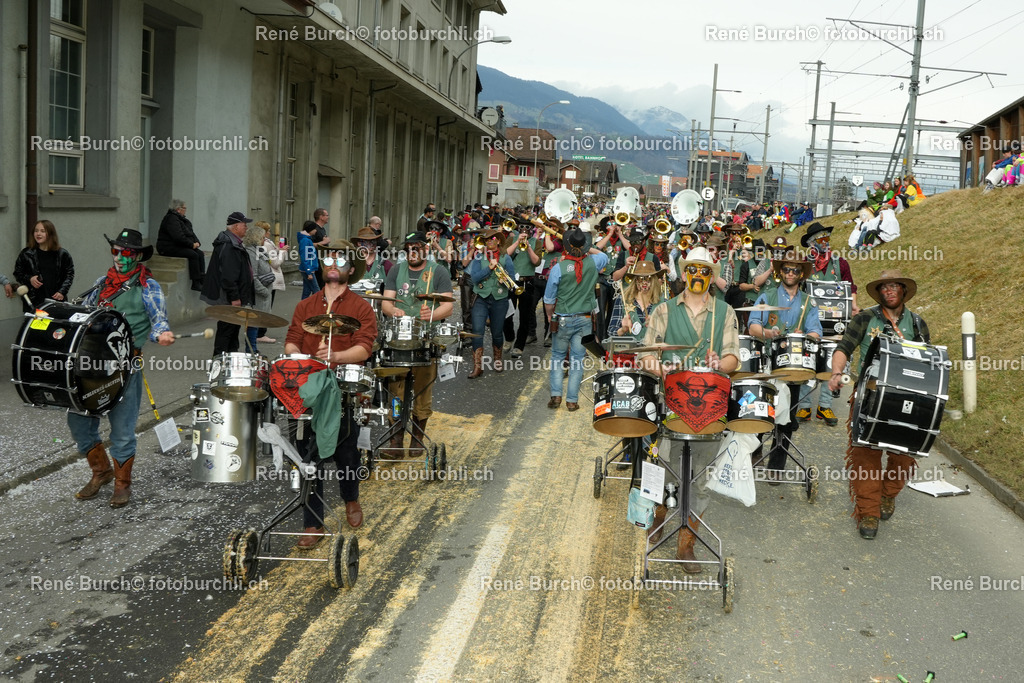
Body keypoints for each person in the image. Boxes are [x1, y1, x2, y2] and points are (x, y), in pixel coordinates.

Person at [637, 246, 739, 572]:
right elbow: (646, 354)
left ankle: (687, 545)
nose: (698, 276)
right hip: (671, 404)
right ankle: (660, 513)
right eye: (693, 269)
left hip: (711, 408)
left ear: (712, 276)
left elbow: (733, 359)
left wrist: (719, 363)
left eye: (705, 270)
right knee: (666, 468)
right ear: (684, 273)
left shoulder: (726, 312)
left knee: (699, 479)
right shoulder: (664, 311)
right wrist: (661, 368)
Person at [69, 229, 174, 507]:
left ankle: (122, 483)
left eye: (126, 252)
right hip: (90, 365)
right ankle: (101, 471)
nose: (119, 257)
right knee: (79, 421)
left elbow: (158, 320)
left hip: (125, 366)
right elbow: (84, 315)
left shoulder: (149, 287)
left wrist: (161, 334)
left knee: (122, 430)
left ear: (137, 256)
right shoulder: (102, 283)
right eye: (115, 251)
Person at [284, 241, 377, 547]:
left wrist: (336, 356)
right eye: (329, 258)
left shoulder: (361, 307)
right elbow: (292, 341)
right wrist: (297, 359)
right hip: (308, 389)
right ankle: (313, 523)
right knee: (307, 454)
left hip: (342, 388)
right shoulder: (305, 306)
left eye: (341, 259)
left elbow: (365, 347)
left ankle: (351, 498)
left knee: (345, 452)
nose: (333, 263)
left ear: (351, 270)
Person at [827, 270, 930, 540]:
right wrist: (837, 373)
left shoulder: (918, 324)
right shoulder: (864, 318)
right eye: (885, 287)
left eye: (895, 286)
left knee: (904, 453)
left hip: (907, 399)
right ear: (879, 292)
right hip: (869, 395)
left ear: (904, 291)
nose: (890, 291)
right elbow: (843, 348)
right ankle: (868, 510)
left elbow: (929, 366)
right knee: (865, 455)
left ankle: (888, 494)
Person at [747, 247, 822, 477]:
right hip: (767, 363)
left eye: (795, 270)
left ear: (801, 274)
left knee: (786, 419)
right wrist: (769, 333)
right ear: (781, 272)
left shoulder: (809, 302)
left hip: (794, 367)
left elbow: (816, 332)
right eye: (787, 269)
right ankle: (754, 451)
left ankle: (776, 466)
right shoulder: (766, 296)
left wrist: (805, 337)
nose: (790, 273)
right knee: (761, 411)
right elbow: (752, 326)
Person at [380, 232, 454, 454]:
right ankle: (395, 441)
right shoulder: (395, 269)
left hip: (425, 339)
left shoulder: (439, 271)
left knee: (422, 391)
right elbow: (386, 303)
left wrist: (429, 315)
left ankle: (417, 438)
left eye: (417, 248)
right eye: (409, 248)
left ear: (426, 249)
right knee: (396, 390)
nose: (412, 252)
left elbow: (448, 306)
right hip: (398, 340)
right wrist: (394, 310)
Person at [796, 223, 859, 426]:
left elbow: (851, 287)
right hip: (810, 321)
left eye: (826, 238)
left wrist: (854, 306)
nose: (825, 242)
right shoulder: (805, 263)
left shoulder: (840, 263)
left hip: (835, 323)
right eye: (821, 239)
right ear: (812, 243)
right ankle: (804, 406)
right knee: (807, 360)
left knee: (830, 363)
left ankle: (825, 406)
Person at [543, 228, 608, 411]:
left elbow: (549, 299)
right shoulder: (593, 262)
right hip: (585, 319)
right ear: (585, 246)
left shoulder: (558, 268)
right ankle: (572, 400)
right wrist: (588, 248)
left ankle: (556, 396)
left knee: (557, 357)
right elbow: (603, 255)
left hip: (563, 318)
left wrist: (549, 315)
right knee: (577, 360)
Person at [200, 211, 255, 355]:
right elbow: (229, 275)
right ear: (236, 226)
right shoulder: (230, 245)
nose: (246, 228)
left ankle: (231, 357)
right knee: (227, 328)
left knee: (233, 328)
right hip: (229, 297)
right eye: (244, 225)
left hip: (232, 296)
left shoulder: (233, 243)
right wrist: (234, 297)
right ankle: (220, 360)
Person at [467, 228, 517, 379]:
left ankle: (497, 359)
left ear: (499, 241)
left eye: (493, 239)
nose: (489, 241)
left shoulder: (505, 257)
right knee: (477, 331)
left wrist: (506, 280)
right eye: (487, 239)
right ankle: (477, 366)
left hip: (499, 299)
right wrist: (489, 269)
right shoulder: (478, 257)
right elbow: (474, 278)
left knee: (497, 331)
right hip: (481, 298)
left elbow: (513, 280)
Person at [14, 220, 75, 312]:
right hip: (34, 301)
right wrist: (29, 279)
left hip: (56, 300)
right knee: (36, 326)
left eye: (42, 231)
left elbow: (69, 274)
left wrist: (62, 291)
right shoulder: (26, 253)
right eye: (36, 231)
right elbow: (18, 273)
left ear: (50, 234)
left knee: (55, 326)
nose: (38, 234)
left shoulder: (62, 254)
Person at [503, 223, 541, 358]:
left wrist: (528, 246)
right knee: (507, 313)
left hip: (527, 281)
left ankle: (519, 346)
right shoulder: (511, 239)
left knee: (525, 316)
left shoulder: (536, 242)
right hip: (511, 281)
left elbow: (536, 262)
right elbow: (504, 255)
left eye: (528, 227)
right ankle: (509, 337)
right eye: (522, 227)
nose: (524, 229)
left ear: (532, 230)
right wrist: (517, 241)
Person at [607, 259, 664, 341]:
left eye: (648, 278)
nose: (644, 282)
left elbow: (671, 332)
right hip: (629, 351)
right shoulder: (622, 299)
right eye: (641, 278)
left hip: (653, 351)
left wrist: (658, 326)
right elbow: (611, 331)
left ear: (654, 280)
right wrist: (623, 330)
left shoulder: (663, 302)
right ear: (636, 281)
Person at [156, 199, 205, 291]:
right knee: (193, 255)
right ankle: (196, 282)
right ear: (178, 209)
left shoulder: (183, 220)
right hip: (167, 247)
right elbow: (178, 237)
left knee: (200, 254)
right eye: (184, 208)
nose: (185, 210)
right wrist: (191, 245)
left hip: (178, 245)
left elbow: (191, 234)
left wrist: (197, 243)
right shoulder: (171, 219)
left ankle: (202, 279)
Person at [242, 223, 276, 354]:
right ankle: (251, 350)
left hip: (263, 291)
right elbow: (253, 276)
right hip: (257, 294)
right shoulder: (251, 252)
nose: (264, 240)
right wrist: (265, 292)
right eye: (262, 238)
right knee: (253, 322)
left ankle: (253, 349)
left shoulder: (258, 251)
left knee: (256, 322)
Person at [256, 221, 285, 344]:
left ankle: (259, 332)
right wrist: (282, 252)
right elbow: (275, 263)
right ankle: (261, 333)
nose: (270, 233)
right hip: (269, 278)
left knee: (263, 305)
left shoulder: (265, 244)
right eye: (268, 231)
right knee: (266, 307)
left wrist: (278, 249)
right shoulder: (266, 245)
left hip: (266, 277)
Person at [302, 208, 331, 287]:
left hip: (323, 260)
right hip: (316, 261)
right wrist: (324, 242)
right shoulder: (314, 229)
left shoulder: (322, 229)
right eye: (327, 215)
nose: (328, 217)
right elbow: (309, 244)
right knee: (317, 286)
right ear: (321, 217)